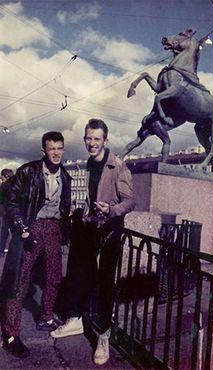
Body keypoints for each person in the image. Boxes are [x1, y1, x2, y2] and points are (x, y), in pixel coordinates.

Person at [51, 118, 135, 365]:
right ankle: (75, 319)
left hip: (110, 229)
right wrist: (83, 211)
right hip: (89, 226)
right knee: (79, 273)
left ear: (105, 140)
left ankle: (103, 336)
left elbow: (130, 201)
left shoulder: (117, 166)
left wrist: (111, 210)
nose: (91, 143)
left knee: (105, 282)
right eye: (88, 138)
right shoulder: (87, 164)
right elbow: (90, 195)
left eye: (96, 139)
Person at [0, 131, 71, 358]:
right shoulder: (28, 172)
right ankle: (11, 335)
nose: (56, 153)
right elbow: (11, 201)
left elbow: (64, 207)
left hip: (53, 229)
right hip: (31, 227)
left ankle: (46, 316)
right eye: (52, 149)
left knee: (54, 277)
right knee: (20, 281)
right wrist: (22, 229)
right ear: (44, 151)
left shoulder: (66, 176)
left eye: (60, 148)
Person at [0, 169, 14, 256]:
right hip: (14, 212)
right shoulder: (17, 185)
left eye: (1, 175)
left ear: (5, 176)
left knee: (3, 232)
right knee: (15, 232)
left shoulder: (3, 185)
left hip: (5, 212)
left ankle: (1, 250)